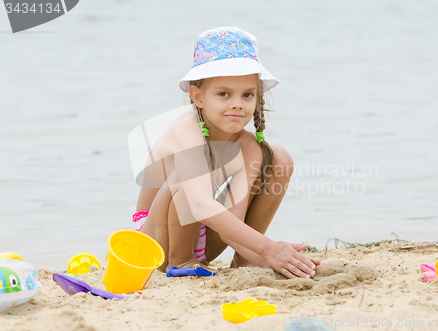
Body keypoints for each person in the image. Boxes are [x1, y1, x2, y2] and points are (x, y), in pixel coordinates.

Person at [133, 27, 323, 279]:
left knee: (278, 158)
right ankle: (180, 262)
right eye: (223, 94)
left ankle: (245, 261)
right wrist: (269, 248)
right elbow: (200, 204)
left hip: (204, 238)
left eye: (247, 95)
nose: (237, 104)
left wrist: (270, 254)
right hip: (155, 241)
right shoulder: (186, 129)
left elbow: (232, 223)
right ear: (197, 97)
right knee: (184, 177)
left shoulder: (247, 146)